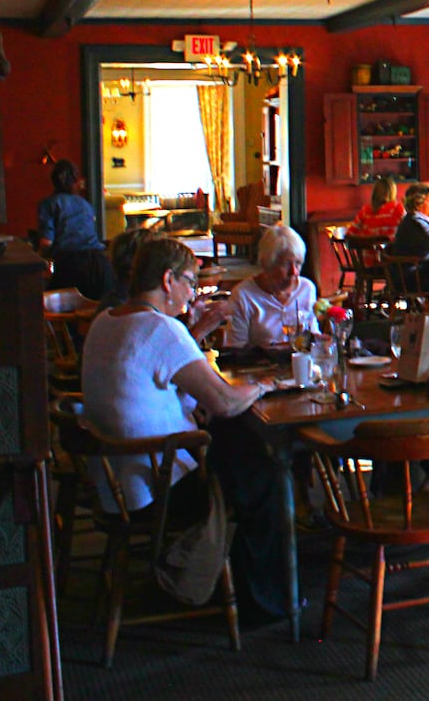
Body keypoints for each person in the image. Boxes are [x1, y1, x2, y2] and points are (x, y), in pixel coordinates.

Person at [79, 234, 289, 623]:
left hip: (116, 482)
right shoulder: (160, 328)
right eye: (191, 282)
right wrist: (267, 384)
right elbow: (223, 401)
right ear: (166, 280)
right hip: (155, 489)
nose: (193, 294)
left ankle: (241, 580)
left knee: (240, 449)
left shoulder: (105, 321)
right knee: (263, 473)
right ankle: (265, 602)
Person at [224, 224, 318, 352]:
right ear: (266, 264)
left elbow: (313, 336)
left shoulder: (307, 289)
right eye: (286, 264)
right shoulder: (243, 296)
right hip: (261, 369)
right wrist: (270, 351)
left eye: (298, 263)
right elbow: (235, 349)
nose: (294, 272)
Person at [37, 159, 115, 300]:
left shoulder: (49, 204)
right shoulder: (85, 204)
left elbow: (46, 243)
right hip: (100, 265)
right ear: (75, 181)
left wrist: (39, 256)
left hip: (70, 266)